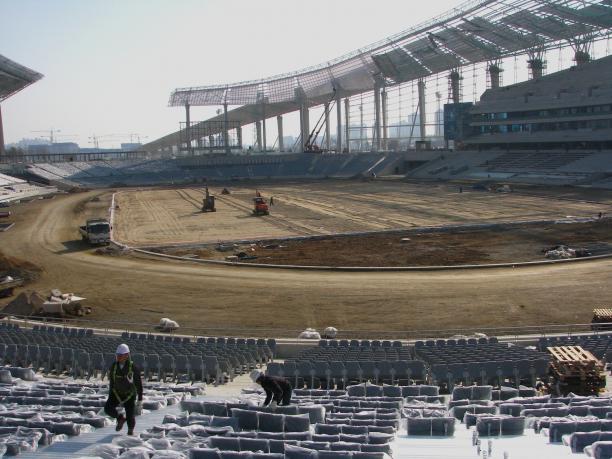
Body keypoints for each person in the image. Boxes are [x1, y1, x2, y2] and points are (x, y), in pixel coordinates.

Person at [105, 344, 143, 435]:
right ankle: (120, 418)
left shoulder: (133, 368)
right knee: (108, 409)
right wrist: (110, 395)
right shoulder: (114, 366)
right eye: (117, 355)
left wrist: (140, 399)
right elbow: (112, 382)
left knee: (130, 415)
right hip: (116, 393)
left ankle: (130, 431)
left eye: (120, 355)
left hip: (129, 395)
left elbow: (138, 384)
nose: (118, 357)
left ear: (126, 355)